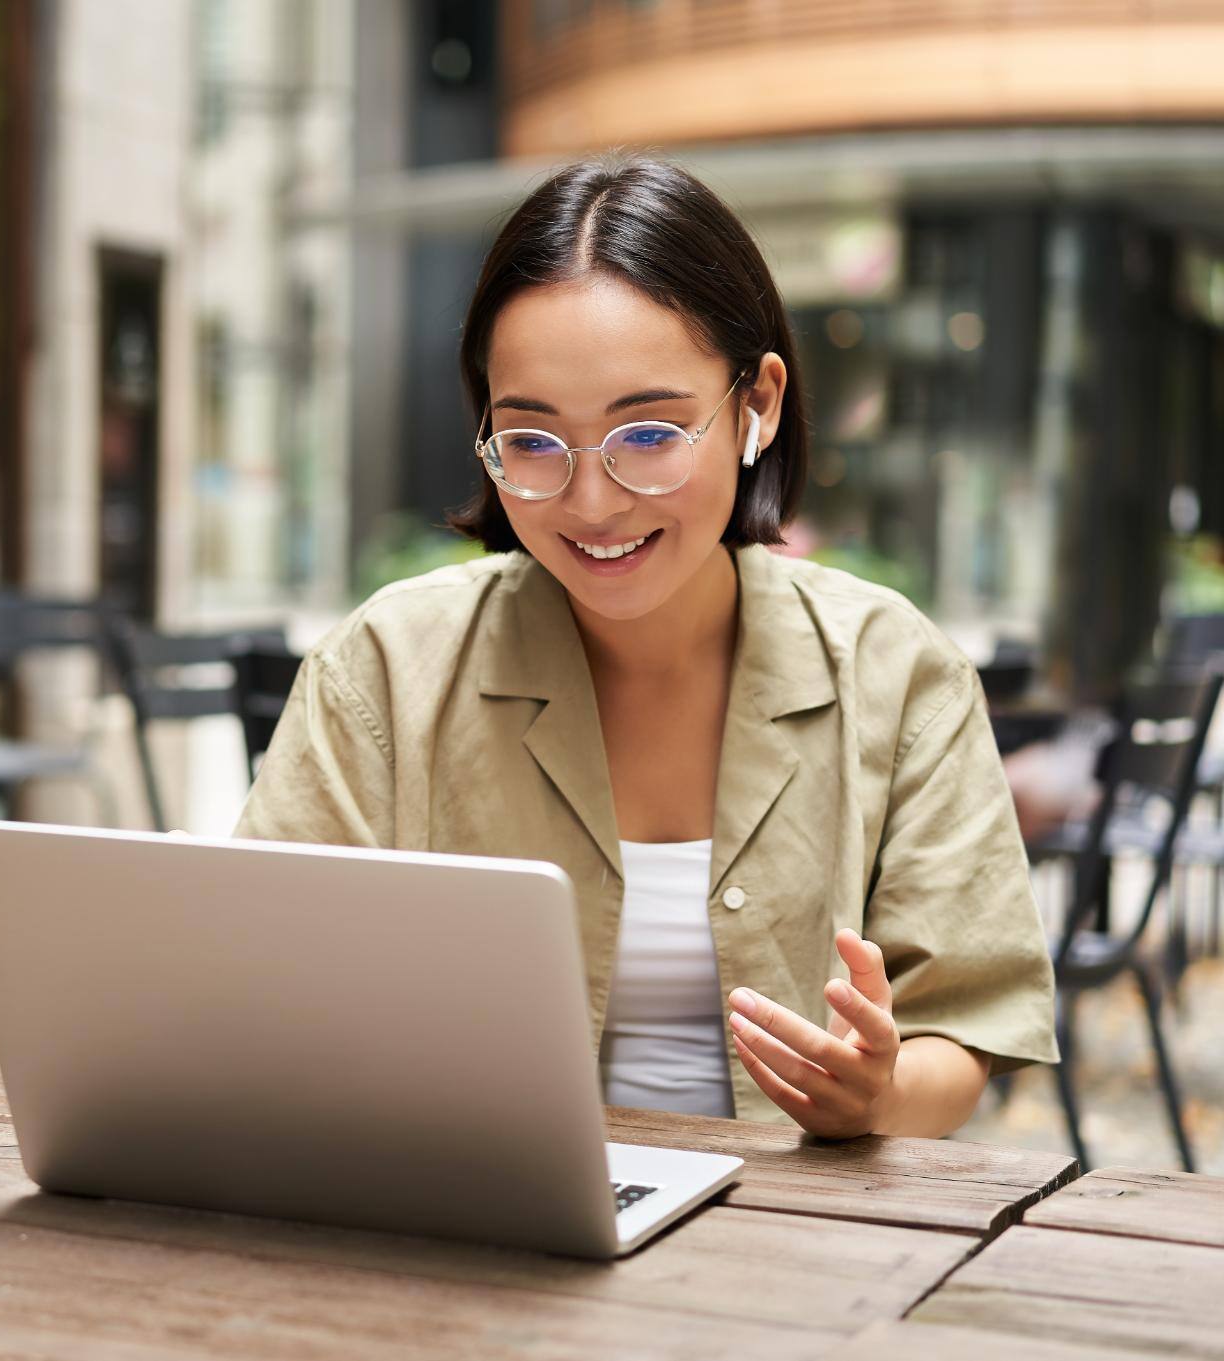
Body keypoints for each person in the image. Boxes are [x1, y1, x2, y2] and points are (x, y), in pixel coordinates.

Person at [235, 155, 1056, 1137]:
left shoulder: (896, 673)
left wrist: (874, 1092)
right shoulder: (383, 672)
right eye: (533, 442)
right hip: (471, 1237)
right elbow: (256, 997)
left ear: (755, 404)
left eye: (648, 434)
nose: (590, 501)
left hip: (789, 1249)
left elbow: (956, 1031)